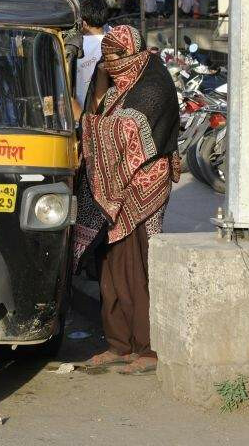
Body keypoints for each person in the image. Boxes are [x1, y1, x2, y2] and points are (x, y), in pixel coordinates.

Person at [73, 25, 180, 375]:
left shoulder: (154, 85)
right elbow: (99, 113)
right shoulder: (121, 84)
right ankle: (119, 343)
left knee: (139, 268)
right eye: (104, 57)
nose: (109, 63)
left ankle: (147, 348)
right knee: (111, 266)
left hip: (143, 189)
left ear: (132, 52)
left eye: (114, 56)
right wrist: (100, 84)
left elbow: (125, 129)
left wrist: (87, 123)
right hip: (113, 190)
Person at [74, 0, 108, 118]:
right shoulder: (113, 44)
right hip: (105, 117)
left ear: (83, 22)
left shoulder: (73, 46)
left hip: (77, 115)